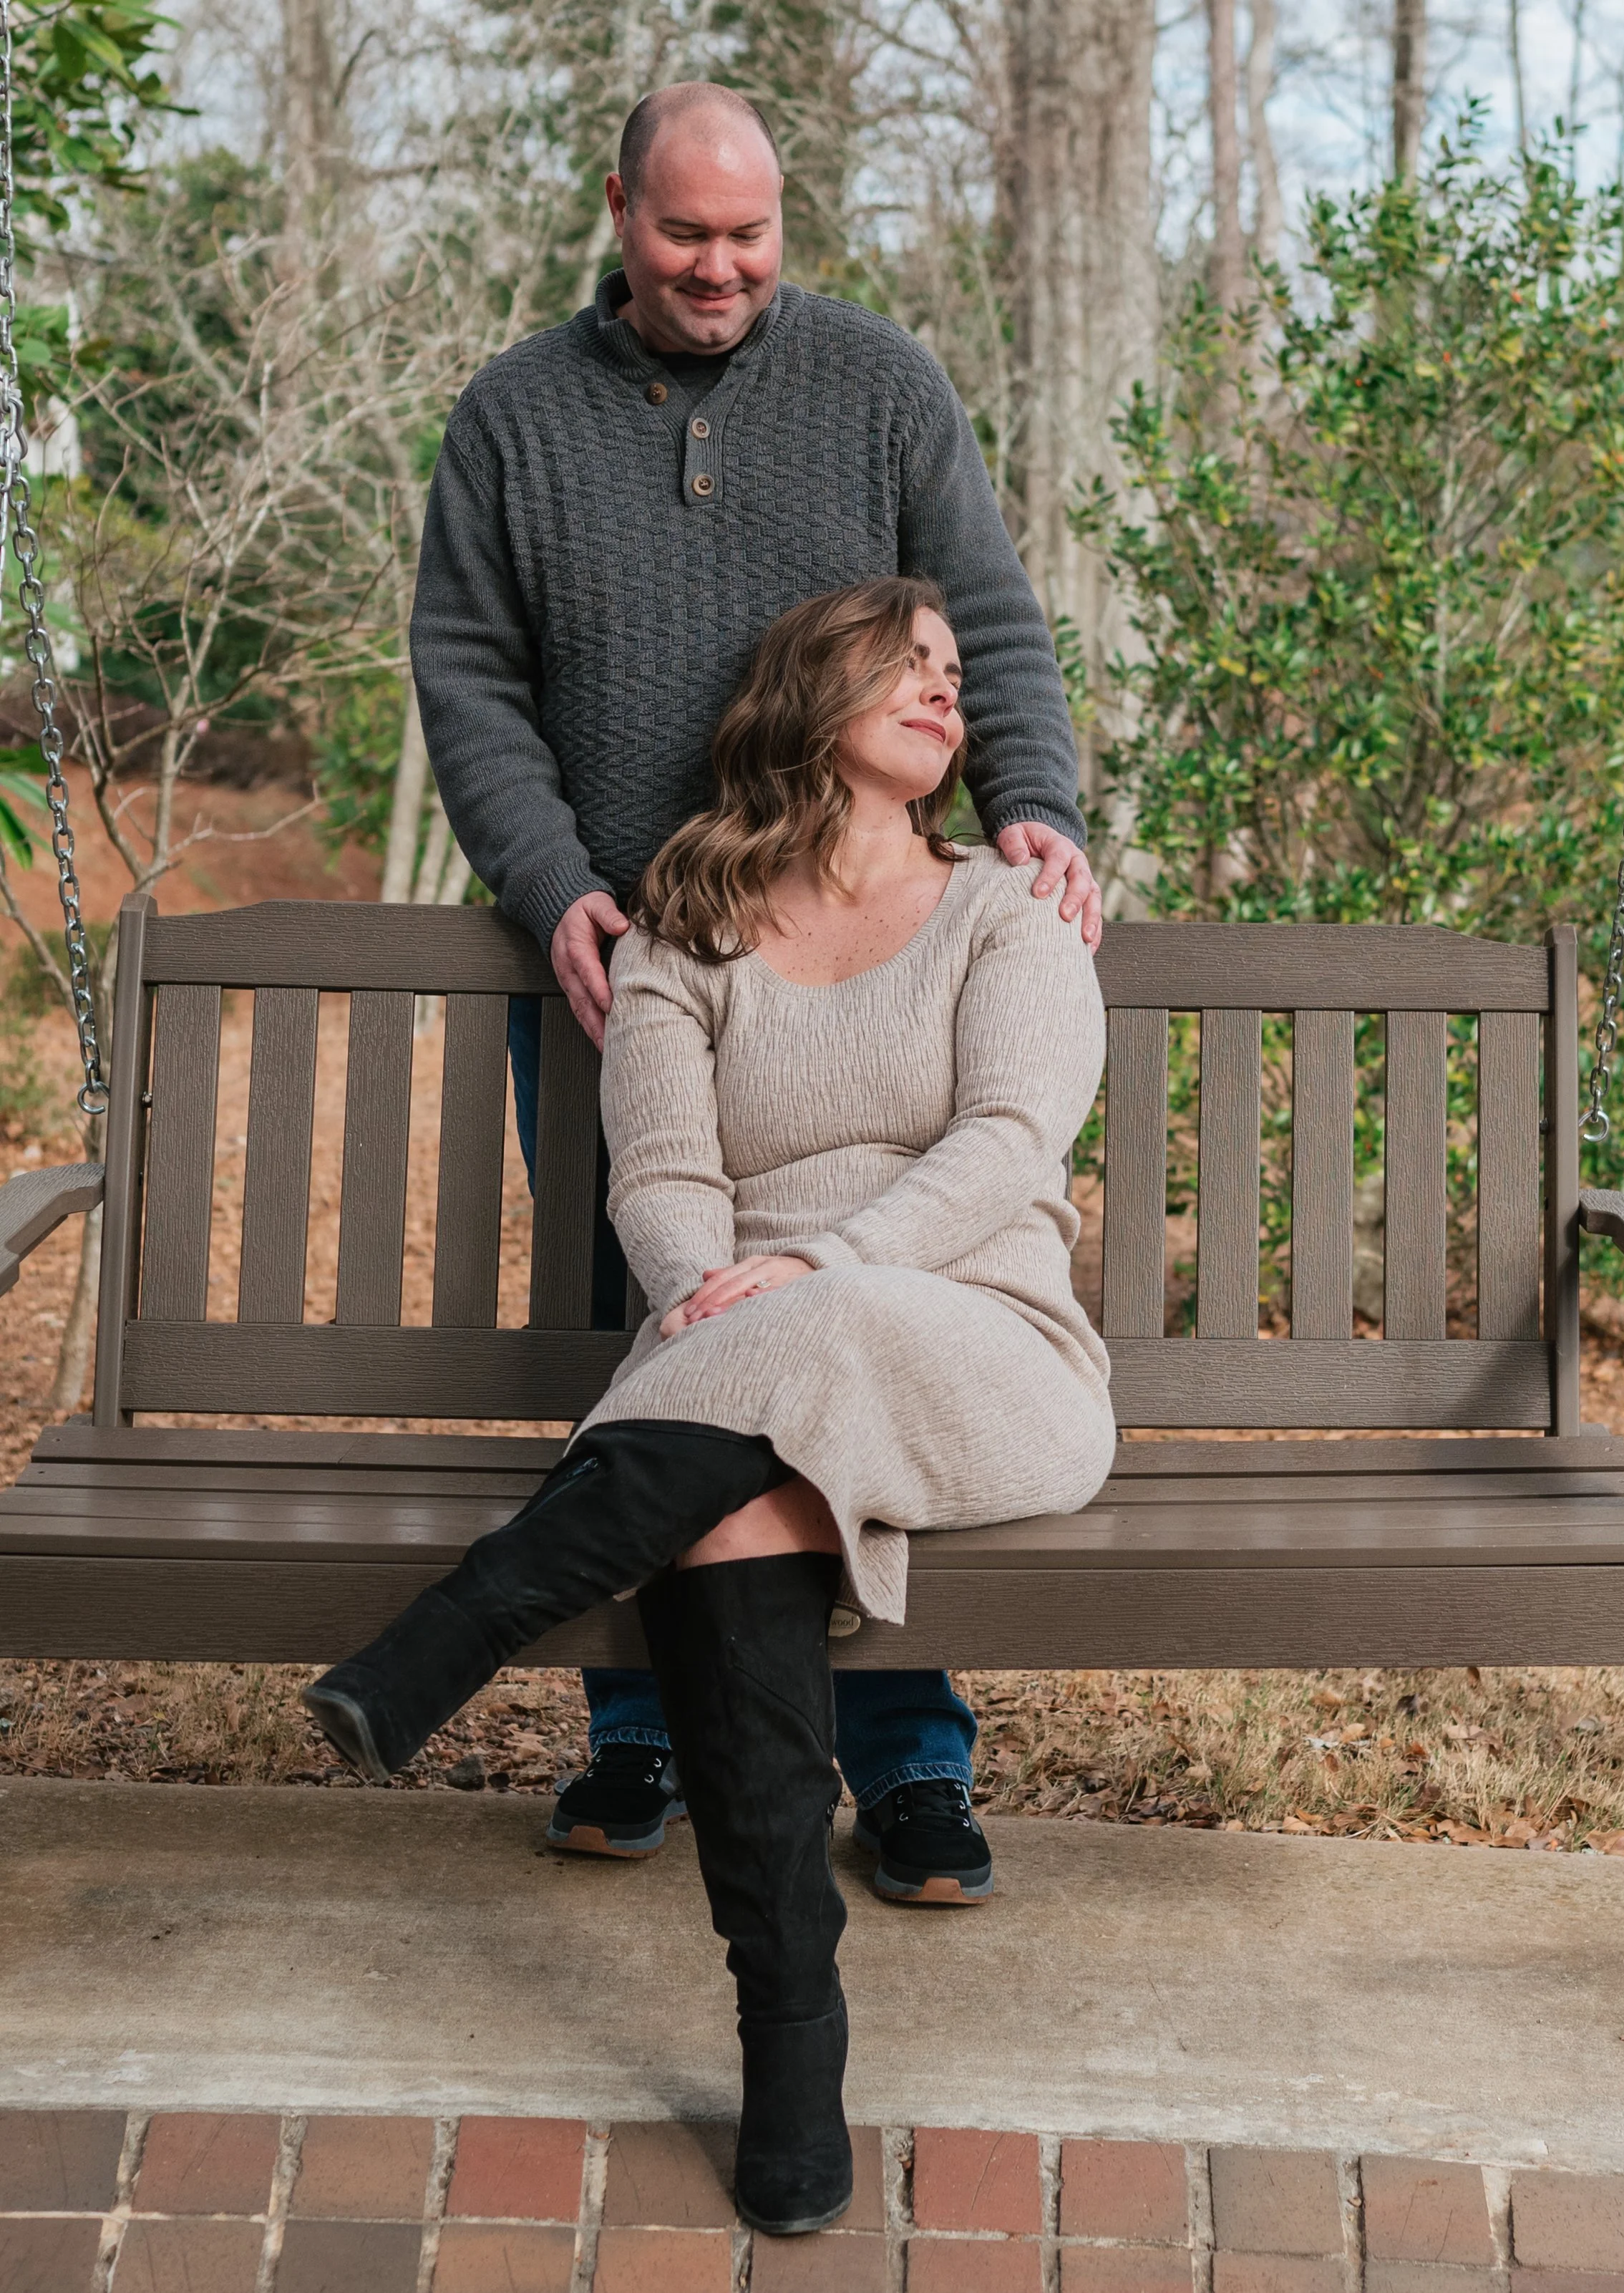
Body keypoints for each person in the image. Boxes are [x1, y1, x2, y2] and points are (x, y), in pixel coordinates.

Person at [303, 578, 1114, 2236]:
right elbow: (663, 1176)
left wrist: (819, 1255)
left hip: (980, 1344)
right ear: (813, 694)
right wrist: (707, 1293)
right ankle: (790, 2033)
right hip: (735, 1353)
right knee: (732, 1506)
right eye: (909, 667)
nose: (947, 695)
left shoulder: (1003, 919)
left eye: (958, 676)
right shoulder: (690, 926)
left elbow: (1004, 1154)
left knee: (832, 1323)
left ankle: (468, 1619)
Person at [411, 78, 1104, 1904]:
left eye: (751, 236)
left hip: (859, 949)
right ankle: (638, 1727)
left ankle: (907, 1753)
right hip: (635, 966)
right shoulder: (513, 416)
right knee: (656, 1321)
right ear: (618, 212)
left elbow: (992, 612)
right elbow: (469, 673)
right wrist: (554, 883)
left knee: (874, 1320)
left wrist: (1029, 807)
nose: (720, 269)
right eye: (683, 234)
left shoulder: (879, 387)